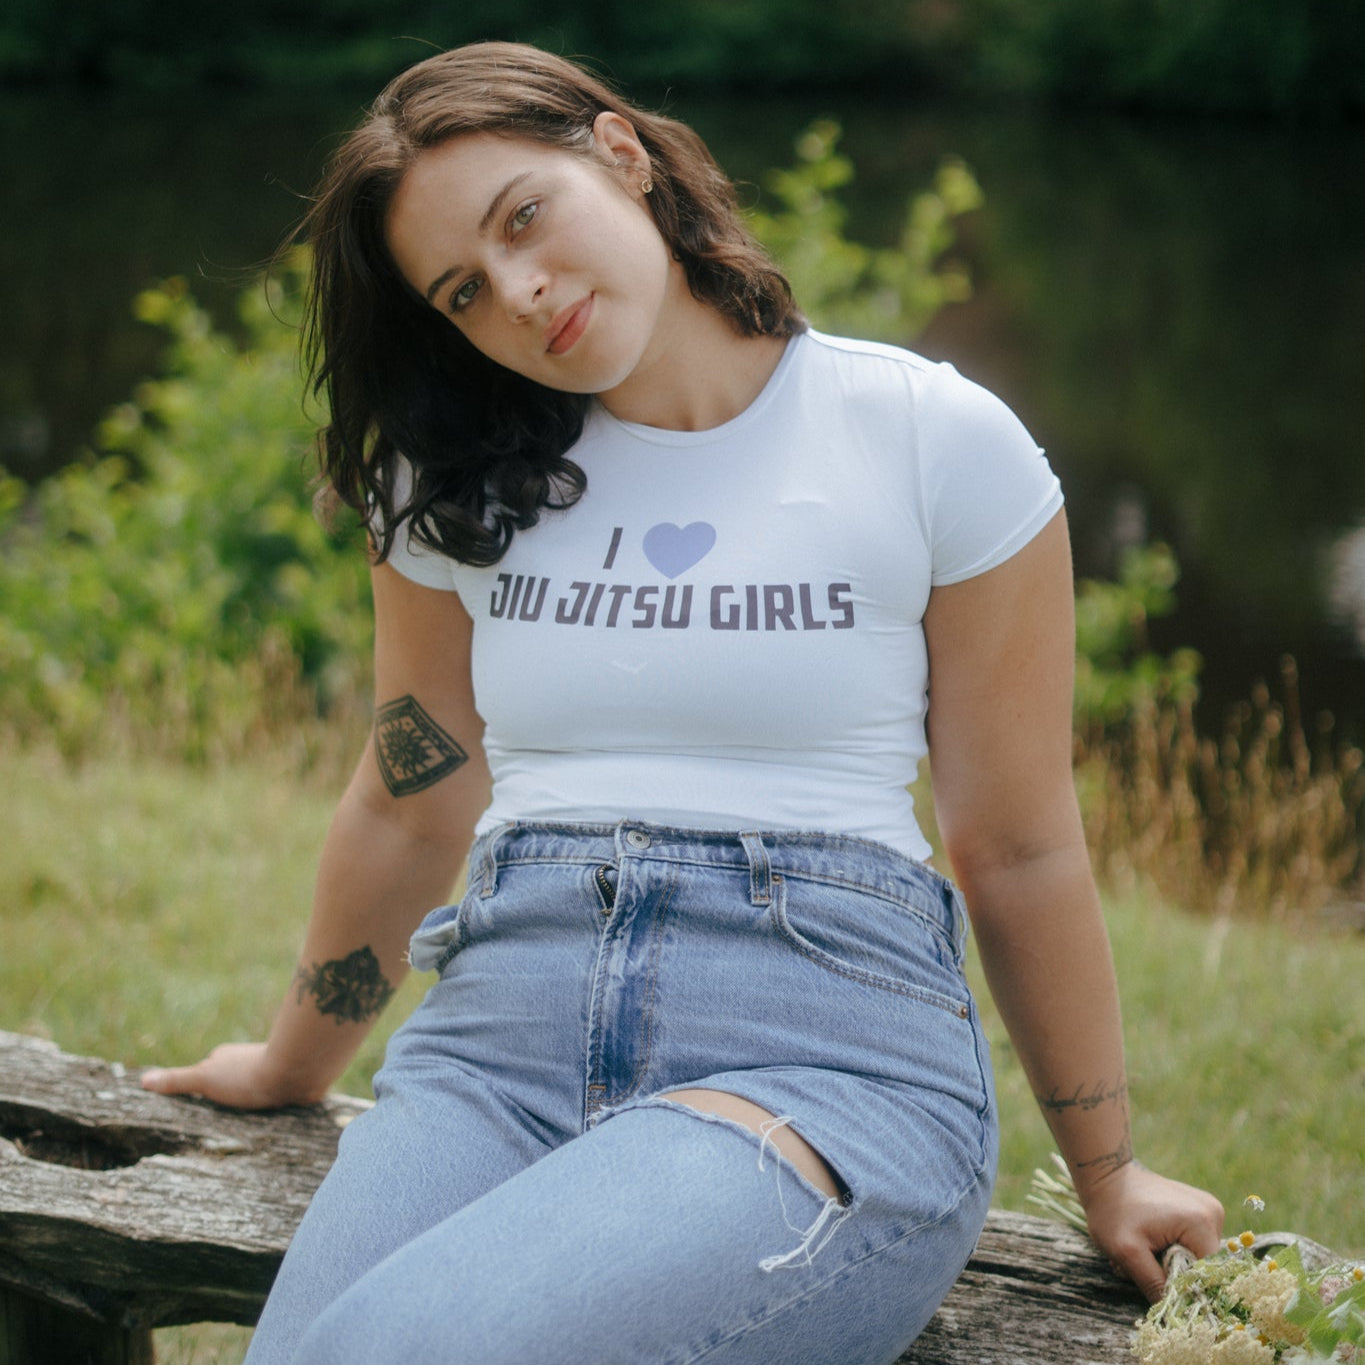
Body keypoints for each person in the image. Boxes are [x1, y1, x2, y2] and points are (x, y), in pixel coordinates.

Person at [140, 40, 1224, 1365]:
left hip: (818, 1053)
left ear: (620, 152)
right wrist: (292, 1060)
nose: (522, 293)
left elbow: (1017, 842)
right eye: (464, 290)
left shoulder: (930, 439)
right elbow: (413, 791)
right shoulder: (454, 486)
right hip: (497, 1047)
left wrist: (1108, 1169)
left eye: (522, 217)